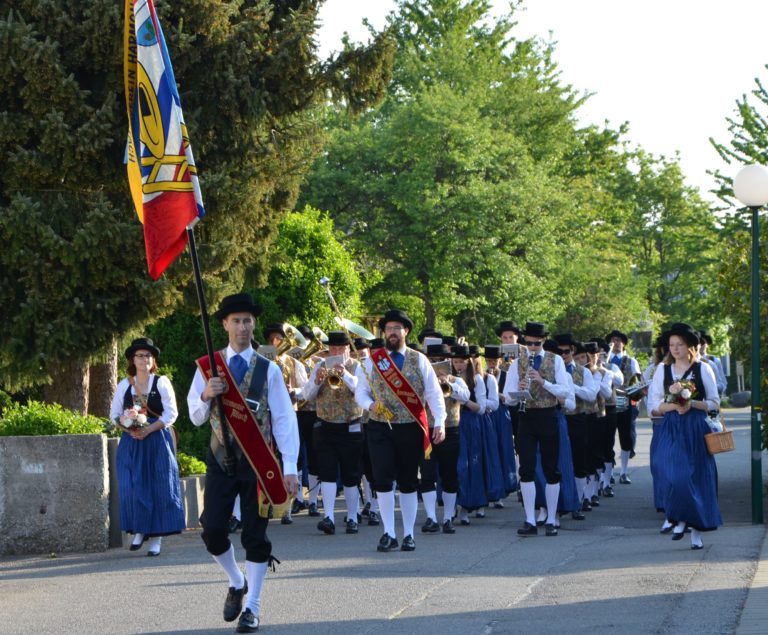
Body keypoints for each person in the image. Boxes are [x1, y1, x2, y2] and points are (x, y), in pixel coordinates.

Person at [187, 293, 299, 633]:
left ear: (253, 325)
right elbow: (194, 416)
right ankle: (237, 581)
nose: (242, 326)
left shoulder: (269, 369)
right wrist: (207, 394)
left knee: (255, 534)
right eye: (236, 320)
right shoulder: (208, 367)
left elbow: (283, 419)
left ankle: (253, 606)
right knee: (213, 530)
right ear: (224, 324)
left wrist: (290, 467)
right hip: (221, 457)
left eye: (247, 320)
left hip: (258, 460)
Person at [354, 309, 446, 552]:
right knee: (383, 480)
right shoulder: (372, 362)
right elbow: (360, 392)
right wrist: (370, 404)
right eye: (388, 329)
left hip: (410, 428)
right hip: (379, 427)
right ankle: (388, 532)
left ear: (406, 331)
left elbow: (434, 393)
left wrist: (440, 421)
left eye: (397, 328)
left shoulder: (419, 360)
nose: (392, 332)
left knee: (407, 481)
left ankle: (408, 534)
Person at [647, 322, 722, 549]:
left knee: (695, 477)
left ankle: (695, 531)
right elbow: (654, 404)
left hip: (695, 427)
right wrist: (673, 405)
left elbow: (714, 403)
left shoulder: (703, 369)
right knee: (668, 471)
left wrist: (691, 404)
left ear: (690, 346)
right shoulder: (663, 369)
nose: (675, 349)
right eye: (672, 345)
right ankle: (677, 517)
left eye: (679, 344)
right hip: (671, 426)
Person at [111, 337, 184, 557]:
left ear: (153, 361)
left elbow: (172, 413)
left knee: (159, 485)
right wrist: (129, 428)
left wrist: (148, 429)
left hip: (156, 438)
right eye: (141, 355)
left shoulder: (161, 382)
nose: (145, 359)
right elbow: (114, 414)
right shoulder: (124, 385)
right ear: (133, 360)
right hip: (132, 441)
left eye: (149, 356)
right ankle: (140, 530)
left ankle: (157, 539)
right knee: (132, 484)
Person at [503, 322, 573, 537]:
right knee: (526, 469)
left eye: (537, 343)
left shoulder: (556, 360)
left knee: (551, 468)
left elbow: (566, 391)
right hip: (526, 418)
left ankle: (551, 518)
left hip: (549, 415)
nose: (532, 347)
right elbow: (507, 397)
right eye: (529, 343)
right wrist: (519, 390)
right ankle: (530, 519)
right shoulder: (517, 363)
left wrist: (543, 382)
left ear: (543, 342)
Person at [300, 330, 365, 535]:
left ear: (348, 350)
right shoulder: (319, 366)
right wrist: (317, 381)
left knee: (350, 474)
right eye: (333, 349)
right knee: (327, 472)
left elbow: (361, 391)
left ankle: (352, 517)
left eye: (341, 348)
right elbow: (307, 396)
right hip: (325, 424)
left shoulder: (357, 367)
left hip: (350, 425)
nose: (336, 352)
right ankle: (328, 517)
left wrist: (343, 374)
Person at [420, 342, 469, 534]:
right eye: (433, 360)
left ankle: (448, 517)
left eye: (440, 360)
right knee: (427, 474)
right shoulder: (421, 379)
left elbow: (465, 397)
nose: (437, 363)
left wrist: (449, 383)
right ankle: (431, 517)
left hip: (451, 430)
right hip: (426, 431)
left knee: (449, 475)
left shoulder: (457, 380)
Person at [605, 329, 642, 485]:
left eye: (619, 340)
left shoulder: (631, 360)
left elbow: (638, 382)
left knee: (625, 438)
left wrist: (634, 398)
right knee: (607, 439)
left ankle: (624, 471)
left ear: (624, 343)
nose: (616, 343)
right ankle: (608, 472)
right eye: (613, 340)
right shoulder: (604, 361)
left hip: (625, 404)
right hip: (607, 404)